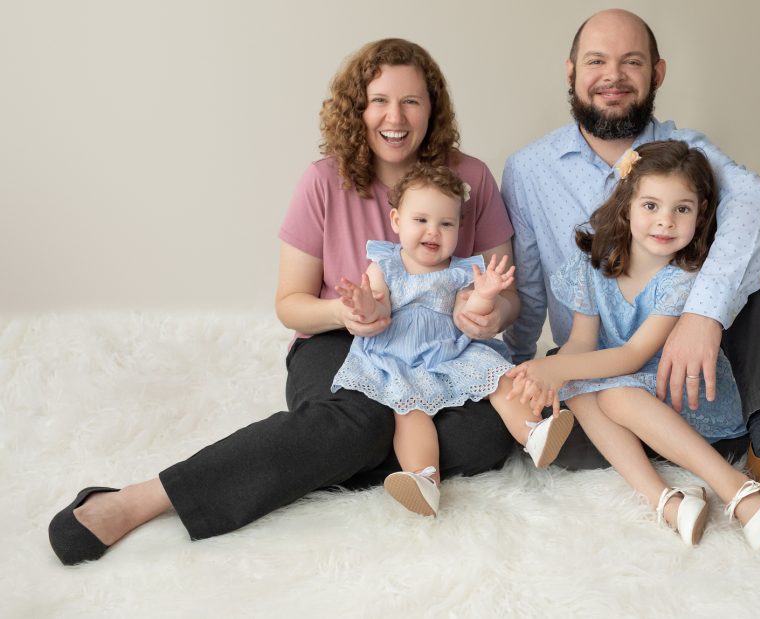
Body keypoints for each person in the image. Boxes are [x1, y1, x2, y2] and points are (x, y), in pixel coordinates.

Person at [48, 38, 521, 565]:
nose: (395, 116)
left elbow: (507, 298)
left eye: (412, 101)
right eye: (380, 99)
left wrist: (486, 316)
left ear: (433, 109)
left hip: (440, 355)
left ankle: (328, 453)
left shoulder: (471, 178)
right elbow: (290, 304)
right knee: (362, 419)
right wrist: (344, 313)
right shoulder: (323, 181)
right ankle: (144, 498)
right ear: (357, 107)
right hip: (338, 343)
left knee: (488, 434)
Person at [501, 9, 760, 532]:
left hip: (683, 360)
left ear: (657, 74)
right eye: (597, 61)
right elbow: (530, 289)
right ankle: (701, 468)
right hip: (592, 363)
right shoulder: (528, 169)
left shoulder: (687, 152)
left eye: (632, 62)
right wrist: (521, 372)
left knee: (745, 266)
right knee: (561, 439)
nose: (613, 75)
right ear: (571, 70)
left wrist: (703, 315)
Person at [508, 141, 760, 548]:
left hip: (684, 390)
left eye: (682, 209)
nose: (666, 222)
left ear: (701, 214)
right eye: (651, 206)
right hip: (625, 387)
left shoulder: (682, 279)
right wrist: (552, 375)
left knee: (611, 394)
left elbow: (635, 355)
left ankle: (739, 490)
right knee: (577, 385)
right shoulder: (593, 268)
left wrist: (559, 368)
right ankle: (665, 499)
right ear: (626, 206)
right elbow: (581, 343)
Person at [330, 164, 574, 516]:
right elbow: (378, 307)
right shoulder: (384, 263)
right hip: (397, 354)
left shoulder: (460, 270)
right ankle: (424, 478)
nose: (433, 232)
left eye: (446, 224)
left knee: (500, 377)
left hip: (452, 349)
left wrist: (486, 295)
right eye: (421, 221)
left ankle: (533, 432)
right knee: (409, 409)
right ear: (397, 220)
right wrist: (363, 303)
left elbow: (467, 312)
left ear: (460, 227)